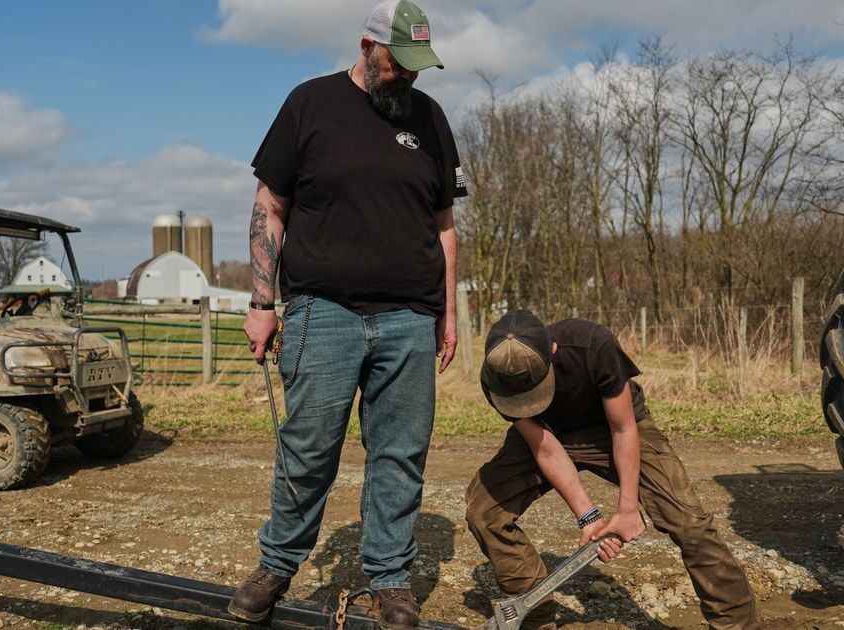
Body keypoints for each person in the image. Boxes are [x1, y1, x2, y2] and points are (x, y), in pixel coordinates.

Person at [230, 1, 466, 629]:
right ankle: (276, 564)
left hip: (410, 318)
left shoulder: (431, 118)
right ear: (367, 46)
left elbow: (444, 224)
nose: (408, 75)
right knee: (307, 449)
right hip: (322, 311)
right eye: (399, 62)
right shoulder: (310, 103)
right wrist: (261, 302)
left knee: (400, 454)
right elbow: (269, 206)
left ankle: (390, 581)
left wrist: (447, 312)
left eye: (418, 65)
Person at [465, 310, 761, 630]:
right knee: (485, 512)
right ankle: (532, 617)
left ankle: (737, 624)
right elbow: (545, 448)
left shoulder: (593, 345)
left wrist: (628, 508)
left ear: (553, 349)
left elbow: (623, 428)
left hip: (613, 428)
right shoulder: (496, 377)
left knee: (686, 520)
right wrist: (588, 516)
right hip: (548, 434)